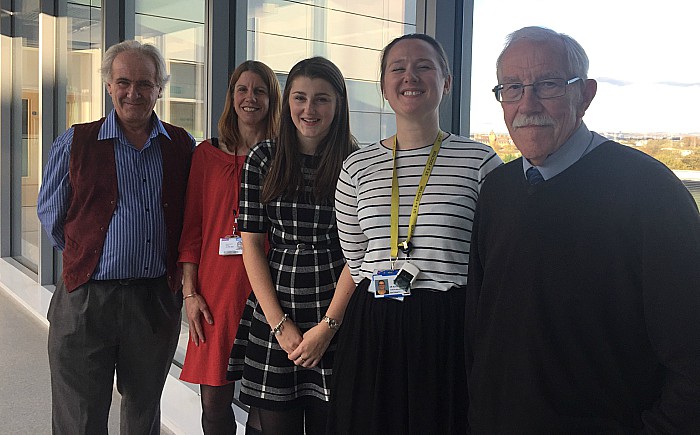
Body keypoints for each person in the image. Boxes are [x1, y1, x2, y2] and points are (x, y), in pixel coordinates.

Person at [465, 26, 700, 433]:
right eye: (512, 88)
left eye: (548, 85)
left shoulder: (649, 191)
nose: (527, 103)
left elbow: (691, 352)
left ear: (586, 94)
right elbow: (482, 327)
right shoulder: (498, 190)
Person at [330, 33, 502, 434]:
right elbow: (355, 260)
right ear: (384, 86)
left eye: (424, 65)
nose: (411, 75)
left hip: (450, 325)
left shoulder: (480, 161)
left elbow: (493, 258)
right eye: (398, 68)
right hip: (375, 324)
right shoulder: (356, 167)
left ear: (446, 81)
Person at [37, 40, 195, 434]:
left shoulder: (181, 146)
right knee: (80, 416)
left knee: (143, 414)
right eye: (123, 82)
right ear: (108, 85)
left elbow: (193, 217)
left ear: (161, 87)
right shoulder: (75, 142)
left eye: (145, 83)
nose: (133, 92)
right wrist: (88, 255)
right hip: (86, 299)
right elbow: (52, 215)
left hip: (153, 300)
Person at [226, 57, 358, 435]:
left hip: (335, 309)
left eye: (321, 99)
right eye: (299, 98)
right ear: (287, 104)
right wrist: (280, 326)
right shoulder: (263, 158)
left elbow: (359, 252)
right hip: (276, 309)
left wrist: (328, 327)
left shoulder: (356, 162)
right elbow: (250, 245)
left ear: (339, 104)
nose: (308, 109)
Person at [178, 61, 281, 435]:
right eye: (242, 89)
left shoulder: (282, 157)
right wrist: (190, 293)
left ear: (272, 100)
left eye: (259, 91)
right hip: (216, 290)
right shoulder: (205, 154)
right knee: (214, 402)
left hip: (268, 288)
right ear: (231, 97)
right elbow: (191, 229)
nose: (250, 98)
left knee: (264, 402)